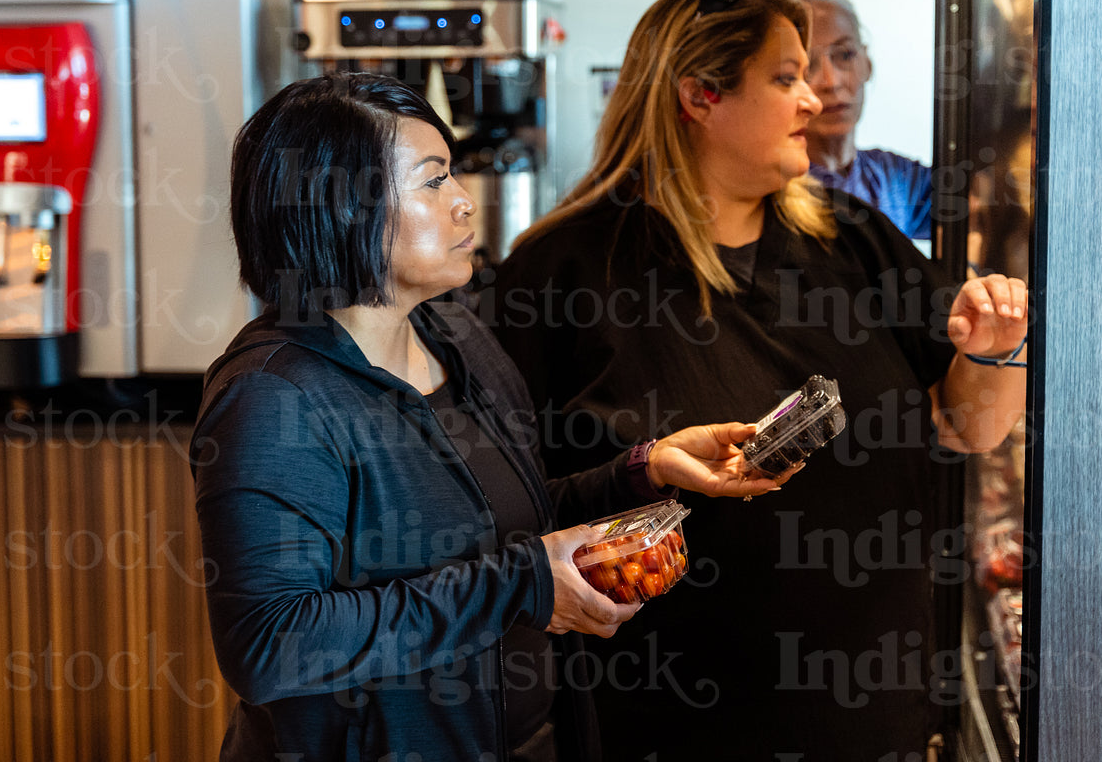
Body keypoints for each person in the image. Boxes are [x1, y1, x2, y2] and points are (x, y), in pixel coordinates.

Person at [490, 0, 1028, 760]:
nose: (814, 99)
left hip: (871, 711)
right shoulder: (563, 269)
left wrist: (994, 348)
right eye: (785, 78)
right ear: (701, 96)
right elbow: (500, 502)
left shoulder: (852, 239)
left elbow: (969, 427)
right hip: (669, 719)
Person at [189, 72, 791, 762]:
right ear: (343, 207)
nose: (464, 204)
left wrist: (643, 471)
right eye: (433, 181)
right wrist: (524, 584)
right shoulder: (275, 397)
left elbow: (503, 528)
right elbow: (272, 643)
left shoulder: (455, 334)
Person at [789, 0, 934, 242]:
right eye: (807, 64)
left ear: (867, 63)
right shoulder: (769, 186)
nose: (831, 82)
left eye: (844, 55)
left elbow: (989, 206)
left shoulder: (898, 182)